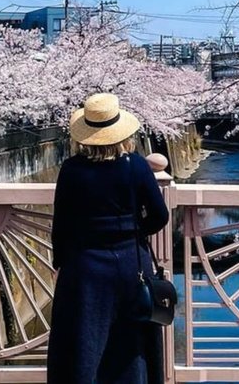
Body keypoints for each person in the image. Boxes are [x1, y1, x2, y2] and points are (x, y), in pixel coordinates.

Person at [46, 93, 168, 384]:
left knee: (82, 340)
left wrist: (59, 261)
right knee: (129, 342)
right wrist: (135, 230)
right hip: (129, 265)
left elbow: (61, 222)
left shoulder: (72, 170)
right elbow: (160, 216)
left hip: (84, 265)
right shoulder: (135, 165)